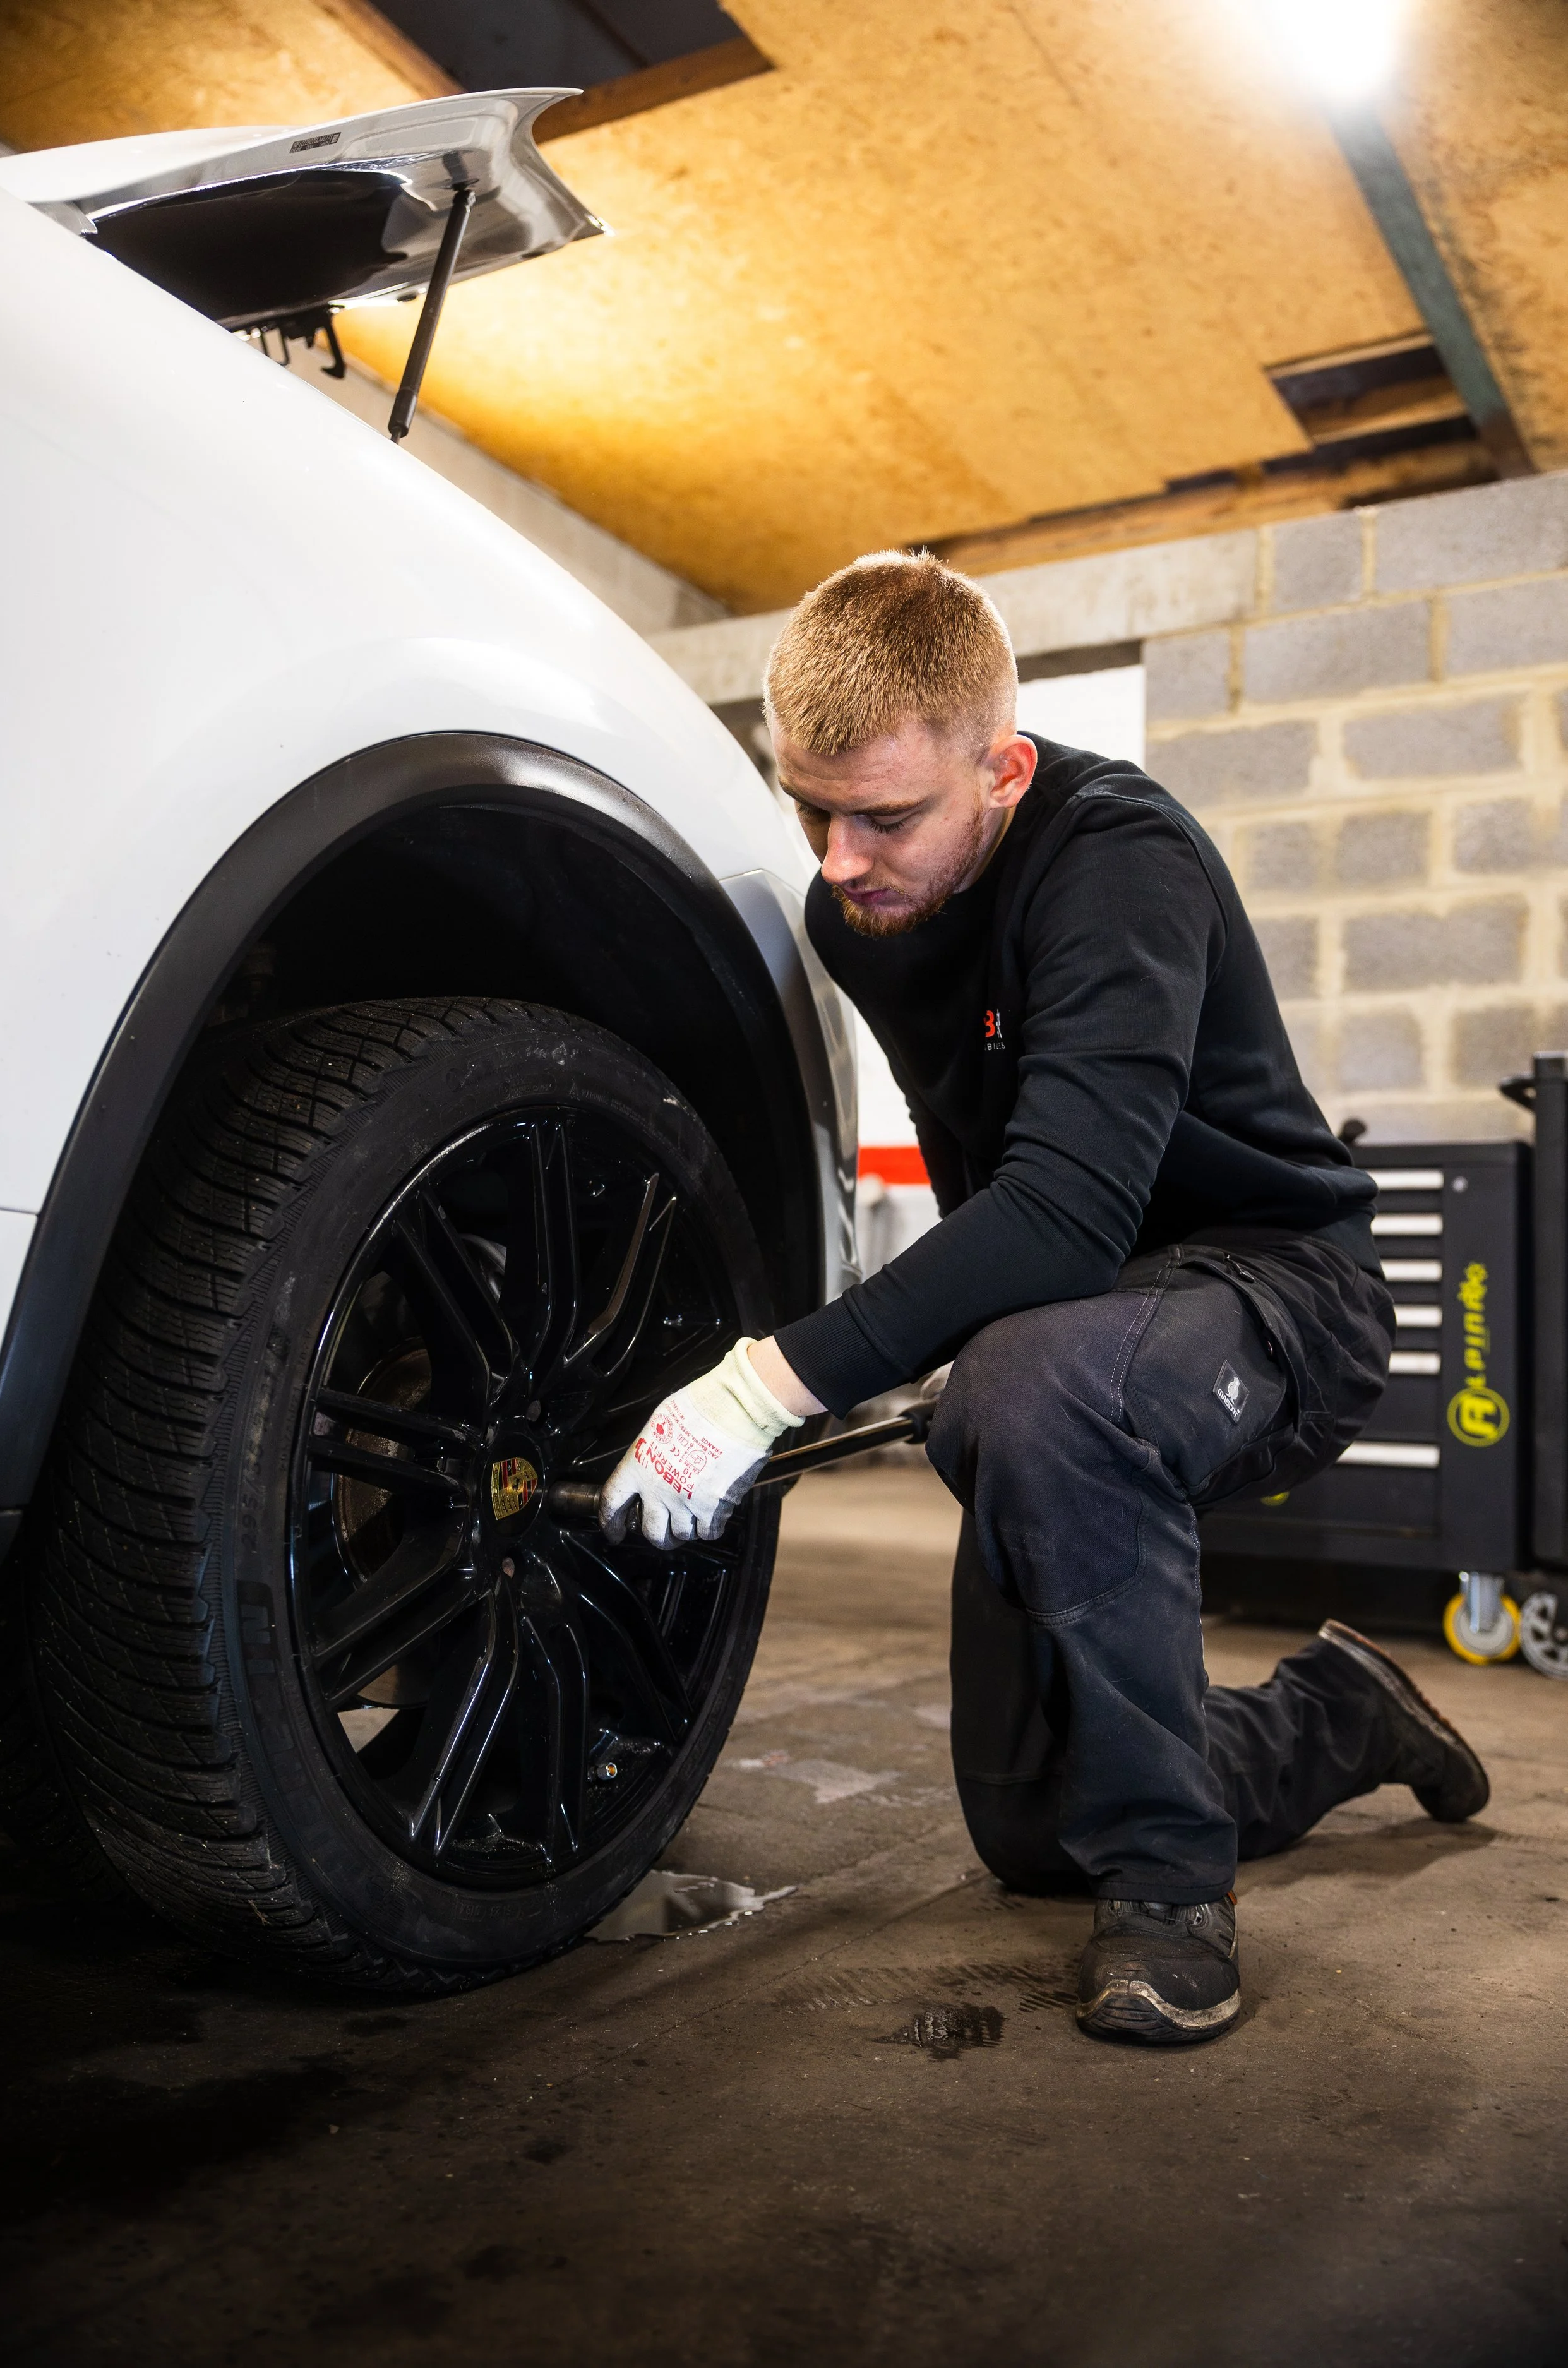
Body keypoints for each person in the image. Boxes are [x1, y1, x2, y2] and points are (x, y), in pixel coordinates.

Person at [601, 551, 1488, 2047]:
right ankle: (1333, 1716)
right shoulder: (861, 918)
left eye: (885, 815)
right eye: (809, 808)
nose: (836, 857)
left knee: (1034, 1393)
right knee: (1026, 1832)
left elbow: (1069, 1211)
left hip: (1281, 1293)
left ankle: (1168, 1891)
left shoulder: (1117, 859)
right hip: (1090, 1325)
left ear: (1001, 770)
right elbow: (991, 1184)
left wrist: (765, 1386)